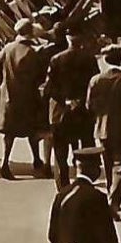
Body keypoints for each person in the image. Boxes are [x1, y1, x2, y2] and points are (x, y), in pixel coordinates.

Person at [87, 44, 121, 215]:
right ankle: (114, 200)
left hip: (102, 129)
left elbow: (89, 105)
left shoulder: (96, 80)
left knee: (108, 163)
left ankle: (111, 193)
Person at [0, 19, 51, 180]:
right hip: (27, 97)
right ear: (31, 33)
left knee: (9, 134)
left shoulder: (7, 49)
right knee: (32, 130)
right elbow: (39, 76)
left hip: (8, 96)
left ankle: (5, 162)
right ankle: (37, 159)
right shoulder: (32, 52)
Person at [43, 28, 96, 189]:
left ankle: (63, 187)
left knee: (60, 153)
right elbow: (94, 85)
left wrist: (66, 100)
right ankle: (85, 182)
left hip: (62, 113)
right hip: (83, 112)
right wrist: (80, 101)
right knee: (86, 148)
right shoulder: (90, 60)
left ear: (67, 39)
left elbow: (49, 89)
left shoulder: (56, 60)